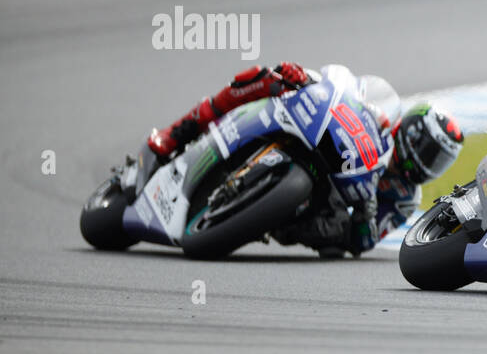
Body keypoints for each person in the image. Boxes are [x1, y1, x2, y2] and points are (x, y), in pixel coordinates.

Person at [147, 62, 463, 257]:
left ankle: (262, 212)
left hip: (320, 208)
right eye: (429, 152)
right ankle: (177, 132)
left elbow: (363, 242)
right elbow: (347, 88)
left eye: (439, 161)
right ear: (411, 133)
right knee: (267, 77)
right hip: (320, 141)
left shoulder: (406, 198)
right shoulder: (383, 120)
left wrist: (365, 211)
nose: (428, 164)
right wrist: (307, 79)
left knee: (335, 241)